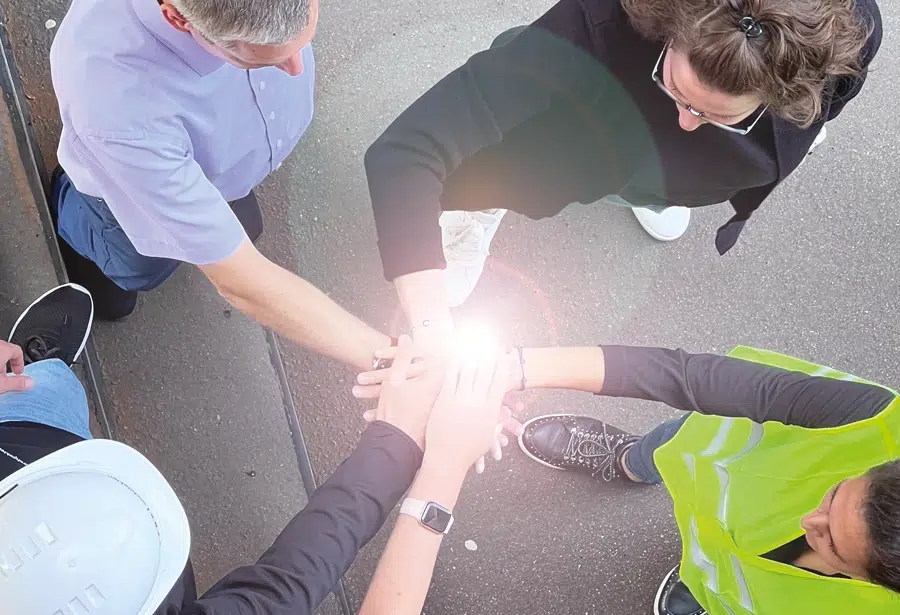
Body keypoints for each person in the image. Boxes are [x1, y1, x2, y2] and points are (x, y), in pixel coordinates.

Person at [364, 0, 882, 343]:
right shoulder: (601, 20)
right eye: (676, 89)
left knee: (657, 181)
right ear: (671, 29)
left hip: (707, 169)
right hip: (590, 122)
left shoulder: (854, 29)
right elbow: (408, 150)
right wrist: (431, 326)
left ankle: (657, 191)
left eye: (718, 115)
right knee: (514, 170)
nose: (685, 123)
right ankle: (482, 206)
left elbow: (833, 103)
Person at [0, 284, 510, 614]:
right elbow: (285, 584)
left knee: (38, 391)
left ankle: (45, 384)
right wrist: (433, 464)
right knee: (46, 396)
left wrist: (402, 441)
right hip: (41, 478)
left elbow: (282, 591)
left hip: (24, 458)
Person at [353, 343, 900, 614]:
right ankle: (630, 459)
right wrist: (514, 366)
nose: (810, 519)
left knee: (715, 596)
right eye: (832, 497)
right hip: (712, 464)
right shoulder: (881, 425)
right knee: (674, 442)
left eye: (829, 542)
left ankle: (701, 598)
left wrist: (440, 467)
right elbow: (693, 377)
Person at [48, 0, 389, 370]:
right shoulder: (115, 100)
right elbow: (242, 280)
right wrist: (386, 358)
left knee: (237, 223)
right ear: (178, 18)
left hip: (212, 165)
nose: (297, 68)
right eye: (261, 61)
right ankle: (68, 204)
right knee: (136, 273)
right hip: (121, 190)